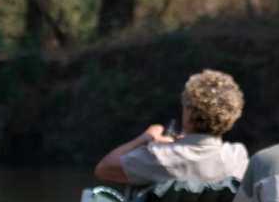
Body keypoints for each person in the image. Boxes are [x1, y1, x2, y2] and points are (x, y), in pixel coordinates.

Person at [94, 69, 248, 187]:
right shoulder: (237, 158)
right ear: (232, 115)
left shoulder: (159, 157)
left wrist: (146, 138)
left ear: (188, 112)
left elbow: (104, 168)